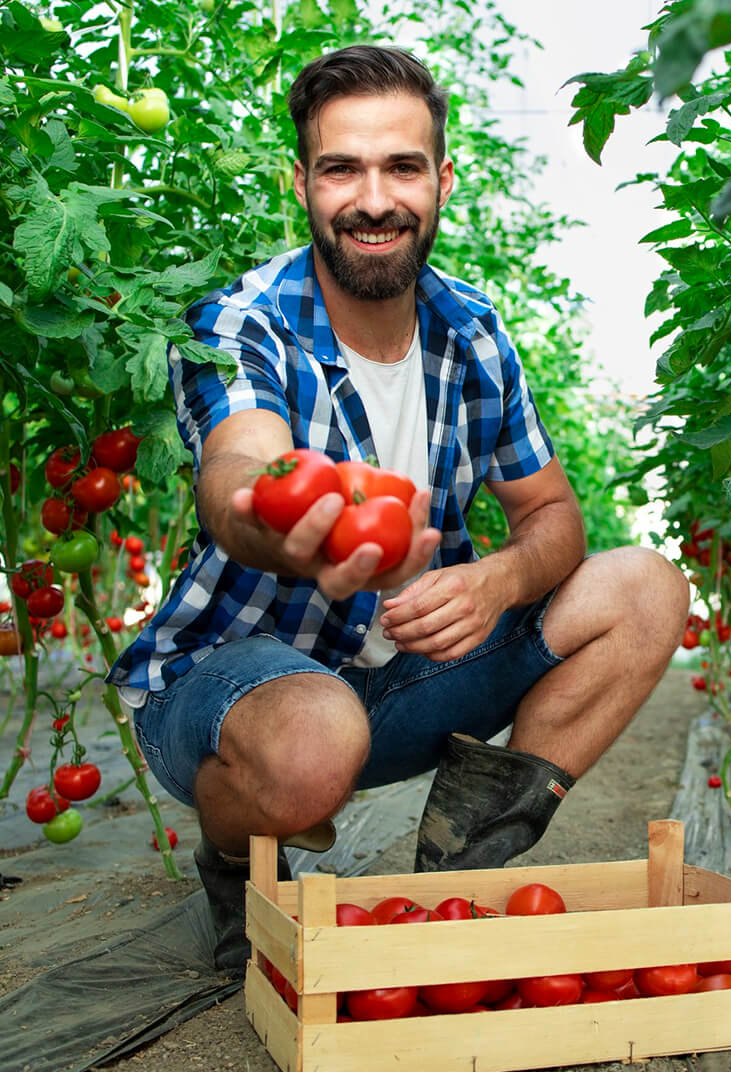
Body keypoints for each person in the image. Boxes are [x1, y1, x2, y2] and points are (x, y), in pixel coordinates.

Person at [106, 44, 689, 976]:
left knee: (650, 588)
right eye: (342, 168)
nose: (373, 199)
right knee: (312, 739)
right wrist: (279, 523)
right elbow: (236, 472)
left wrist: (498, 579)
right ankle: (234, 856)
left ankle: (467, 851)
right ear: (301, 181)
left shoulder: (474, 330)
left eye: (401, 167)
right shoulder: (240, 322)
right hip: (232, 688)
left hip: (410, 674)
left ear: (442, 180)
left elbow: (553, 516)